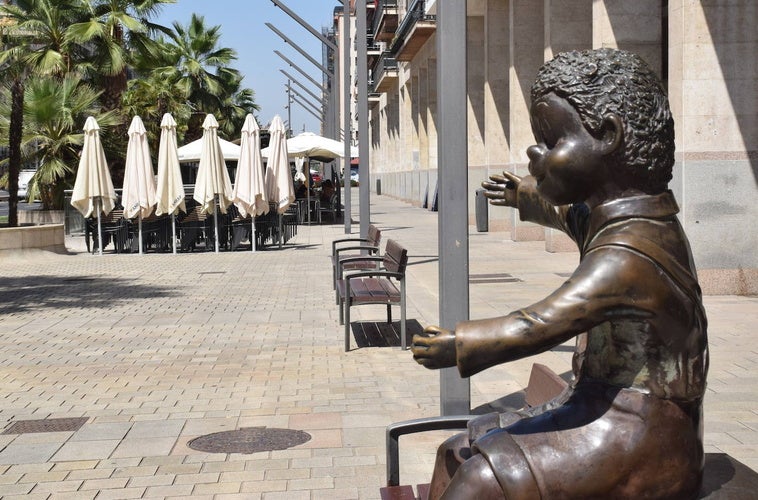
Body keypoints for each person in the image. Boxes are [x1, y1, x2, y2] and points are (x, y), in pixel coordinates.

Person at [411, 48, 709, 499]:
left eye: (551, 140)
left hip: (642, 435)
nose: (536, 151)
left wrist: (460, 344)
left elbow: (542, 322)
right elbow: (569, 214)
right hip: (599, 405)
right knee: (454, 452)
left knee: (478, 482)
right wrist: (524, 195)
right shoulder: (621, 219)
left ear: (608, 136)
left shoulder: (629, 254)